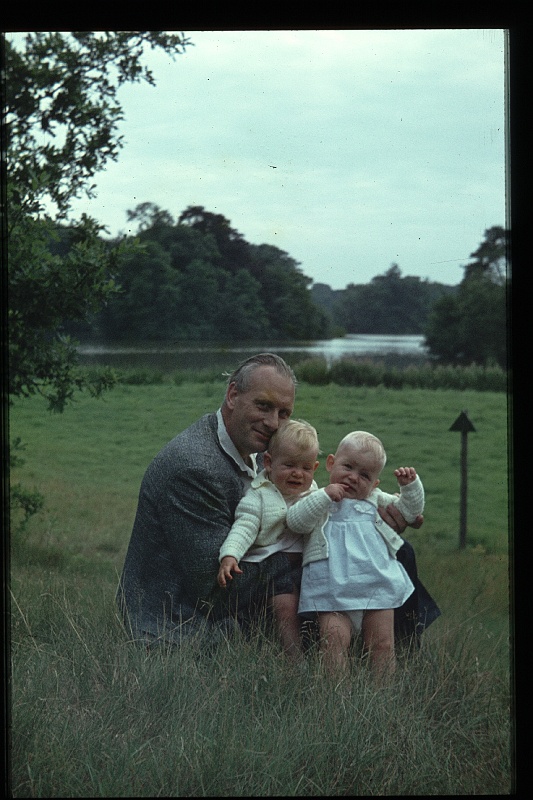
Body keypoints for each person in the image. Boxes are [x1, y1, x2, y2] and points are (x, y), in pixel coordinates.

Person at [117, 352, 437, 648]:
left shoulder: (256, 450)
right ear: (232, 396)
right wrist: (299, 559)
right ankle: (379, 659)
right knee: (338, 569)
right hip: (178, 619)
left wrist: (368, 523)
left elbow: (296, 502)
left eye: (284, 413)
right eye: (263, 406)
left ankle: (396, 657)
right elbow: (211, 586)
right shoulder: (193, 468)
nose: (273, 423)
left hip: (244, 588)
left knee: (390, 551)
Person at [288, 431, 426, 679]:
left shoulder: (374, 499)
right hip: (331, 587)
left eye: (364, 475)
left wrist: (411, 487)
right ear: (331, 463)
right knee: (333, 642)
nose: (353, 478)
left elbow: (408, 512)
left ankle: (382, 699)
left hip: (376, 584)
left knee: (383, 645)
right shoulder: (317, 497)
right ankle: (337, 701)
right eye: (348, 467)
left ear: (374, 484)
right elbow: (295, 521)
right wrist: (324, 496)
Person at [217, 418, 345, 659]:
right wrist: (230, 554)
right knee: (286, 607)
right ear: (268, 462)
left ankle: (326, 652)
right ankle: (294, 659)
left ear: (315, 468)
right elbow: (244, 526)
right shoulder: (259, 495)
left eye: (306, 468)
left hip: (305, 566)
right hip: (272, 566)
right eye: (289, 465)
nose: (298, 474)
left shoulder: (315, 494)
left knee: (321, 605)